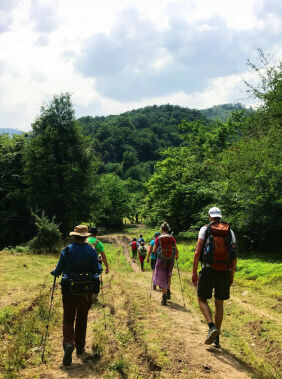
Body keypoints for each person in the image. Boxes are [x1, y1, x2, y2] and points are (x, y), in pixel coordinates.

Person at [51, 225, 102, 366]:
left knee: (68, 317)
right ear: (86, 237)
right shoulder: (91, 251)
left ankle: (68, 343)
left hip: (69, 288)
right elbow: (97, 270)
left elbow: (58, 270)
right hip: (85, 289)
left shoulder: (67, 250)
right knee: (82, 317)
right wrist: (100, 265)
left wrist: (54, 272)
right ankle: (80, 347)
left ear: (74, 236)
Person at [192, 207, 237, 348]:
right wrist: (231, 275)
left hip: (208, 269)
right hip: (224, 270)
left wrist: (194, 272)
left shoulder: (205, 229)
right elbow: (234, 256)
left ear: (210, 216)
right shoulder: (230, 231)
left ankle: (211, 326)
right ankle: (216, 338)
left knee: (201, 298)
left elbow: (197, 252)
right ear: (220, 216)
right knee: (219, 303)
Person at [153, 222, 178, 305]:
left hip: (161, 259)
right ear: (168, 229)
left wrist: (155, 252)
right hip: (170, 259)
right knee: (168, 274)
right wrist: (176, 256)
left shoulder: (158, 238)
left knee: (162, 276)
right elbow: (176, 249)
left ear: (161, 229)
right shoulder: (172, 238)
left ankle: (164, 296)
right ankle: (168, 290)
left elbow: (154, 250)